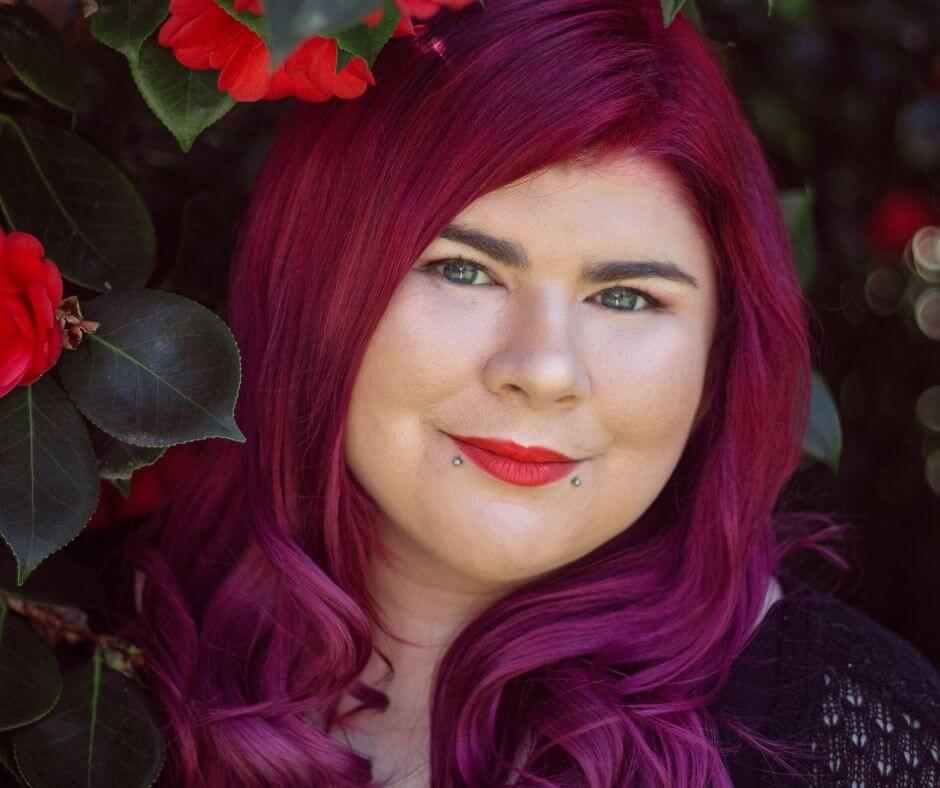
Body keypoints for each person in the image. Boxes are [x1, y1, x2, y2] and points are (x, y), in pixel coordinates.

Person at [120, 0, 940, 785]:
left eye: (627, 297)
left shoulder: (858, 737)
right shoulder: (87, 654)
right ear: (308, 287)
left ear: (718, 354)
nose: (543, 369)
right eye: (463, 269)